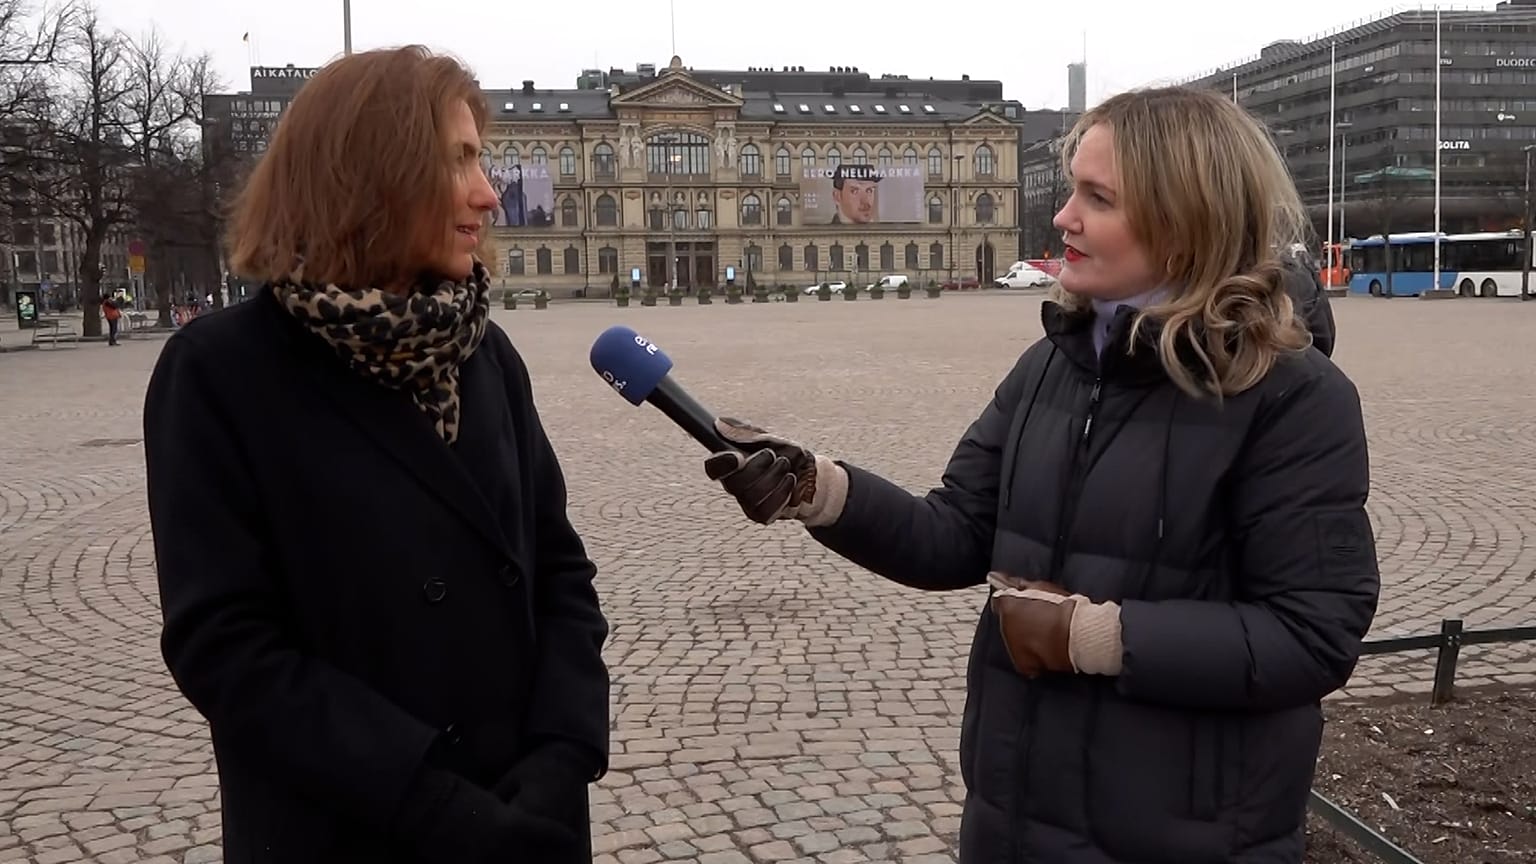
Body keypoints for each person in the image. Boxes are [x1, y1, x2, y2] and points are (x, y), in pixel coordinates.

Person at [702, 86, 1379, 864]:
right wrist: (818, 489)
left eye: (1098, 198)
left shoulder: (1293, 400)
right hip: (1015, 825)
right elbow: (954, 534)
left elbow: (1313, 634)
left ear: (1187, 218)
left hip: (1185, 837)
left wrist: (1096, 637)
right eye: (1072, 191)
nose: (1064, 218)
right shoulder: (1049, 368)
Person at [141, 46, 610, 863]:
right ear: (374, 176)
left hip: (524, 822)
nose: (489, 194)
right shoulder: (221, 374)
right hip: (350, 827)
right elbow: (226, 646)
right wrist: (428, 798)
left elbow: (561, 573)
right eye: (458, 161)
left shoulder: (485, 354)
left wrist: (563, 757)